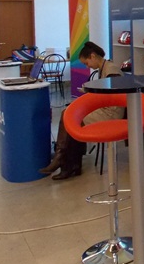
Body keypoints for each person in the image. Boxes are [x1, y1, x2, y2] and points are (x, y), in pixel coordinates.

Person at [39, 41, 125, 180]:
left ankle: (64, 160)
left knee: (70, 118)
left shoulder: (111, 70)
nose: (87, 66)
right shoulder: (105, 68)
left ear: (93, 56)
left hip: (110, 113)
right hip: (105, 109)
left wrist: (91, 92)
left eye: (86, 63)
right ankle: (69, 163)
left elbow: (112, 96)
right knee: (69, 115)